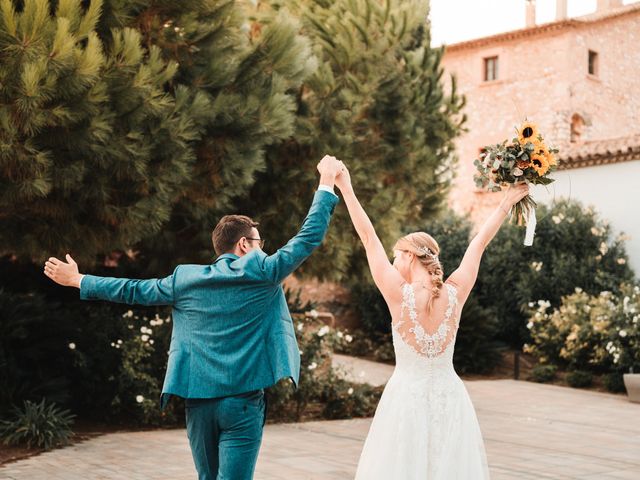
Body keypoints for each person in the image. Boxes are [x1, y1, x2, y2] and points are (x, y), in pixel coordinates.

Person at [43, 155, 344, 480]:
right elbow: (308, 237)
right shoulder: (262, 270)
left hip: (198, 403)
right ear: (244, 244)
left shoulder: (183, 279)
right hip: (241, 403)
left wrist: (78, 280)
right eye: (260, 243)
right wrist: (326, 182)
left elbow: (132, 289)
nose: (263, 248)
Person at [333, 160, 529, 479]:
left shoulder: (398, 293)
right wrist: (507, 202)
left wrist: (345, 187)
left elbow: (368, 238)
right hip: (450, 398)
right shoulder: (455, 292)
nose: (394, 261)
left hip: (405, 399)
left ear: (410, 256)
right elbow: (478, 243)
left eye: (397, 255)